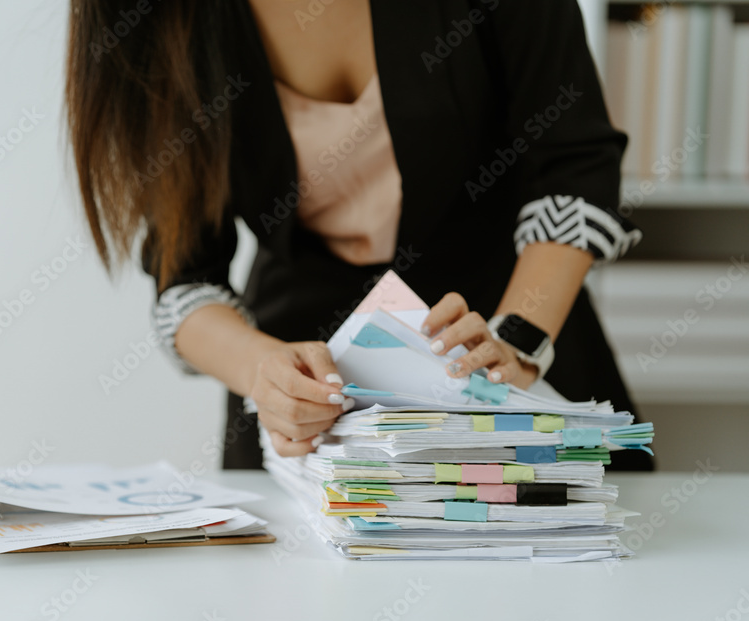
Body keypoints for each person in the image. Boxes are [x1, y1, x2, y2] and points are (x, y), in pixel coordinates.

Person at [66, 0, 651, 470]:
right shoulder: (164, 20)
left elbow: (574, 166)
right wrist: (264, 372)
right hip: (305, 395)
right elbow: (185, 282)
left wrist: (517, 343)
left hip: (509, 328)